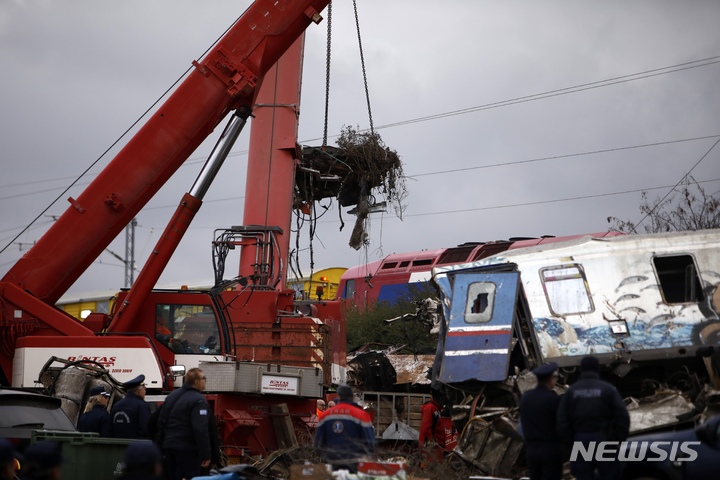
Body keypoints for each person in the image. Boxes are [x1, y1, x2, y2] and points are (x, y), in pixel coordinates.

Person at [557, 356, 630, 480]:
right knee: (609, 475)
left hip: (580, 440)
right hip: (604, 439)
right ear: (597, 369)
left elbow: (562, 421)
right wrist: (618, 438)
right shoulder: (608, 389)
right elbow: (622, 416)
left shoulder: (571, 392)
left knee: (583, 475)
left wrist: (570, 441)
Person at [156, 368, 212, 480]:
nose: (205, 380)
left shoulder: (171, 396)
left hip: (169, 447)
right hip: (188, 449)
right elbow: (200, 429)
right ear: (196, 381)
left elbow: (160, 422)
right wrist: (206, 454)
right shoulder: (198, 400)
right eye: (203, 378)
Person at [314, 384, 375, 472]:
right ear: (352, 397)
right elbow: (370, 442)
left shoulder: (325, 415)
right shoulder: (361, 415)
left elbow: (318, 443)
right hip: (355, 462)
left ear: (339, 397)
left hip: (333, 462)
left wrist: (328, 456)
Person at [519, 362, 563, 480]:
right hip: (550, 449)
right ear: (550, 379)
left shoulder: (526, 398)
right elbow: (561, 424)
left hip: (532, 450)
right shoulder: (553, 399)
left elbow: (521, 424)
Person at [418, 388, 457, 465]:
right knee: (430, 471)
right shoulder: (430, 408)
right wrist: (432, 443)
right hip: (431, 448)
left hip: (436, 448)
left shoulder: (436, 409)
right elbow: (425, 429)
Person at [112, 374, 152, 439]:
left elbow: (110, 429)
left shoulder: (116, 405)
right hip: (136, 446)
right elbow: (145, 429)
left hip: (118, 447)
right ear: (139, 391)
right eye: (144, 390)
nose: (145, 392)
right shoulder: (142, 406)